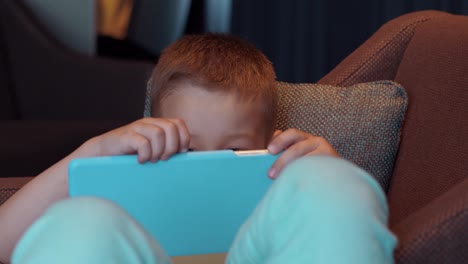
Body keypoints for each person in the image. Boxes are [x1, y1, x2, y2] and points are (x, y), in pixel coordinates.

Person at [0, 33, 396, 264]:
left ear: (269, 141)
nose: (206, 169)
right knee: (82, 220)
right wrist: (90, 153)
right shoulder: (122, 201)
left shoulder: (284, 190)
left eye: (234, 150)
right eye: (185, 151)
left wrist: (330, 173)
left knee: (332, 183)